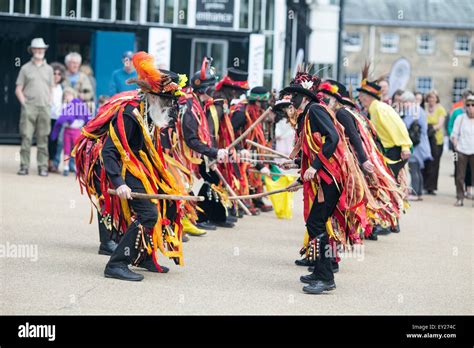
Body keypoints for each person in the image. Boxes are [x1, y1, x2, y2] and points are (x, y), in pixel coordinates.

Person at [73, 51, 189, 281]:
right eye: (168, 101)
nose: (170, 106)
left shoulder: (150, 111)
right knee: (148, 214)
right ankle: (116, 264)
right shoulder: (130, 112)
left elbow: (144, 149)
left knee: (165, 203)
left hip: (134, 165)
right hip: (115, 166)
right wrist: (119, 183)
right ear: (154, 96)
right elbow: (109, 151)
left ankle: (143, 256)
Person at [282, 67, 342, 294]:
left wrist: (315, 166)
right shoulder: (309, 114)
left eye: (294, 94)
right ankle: (319, 271)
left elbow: (333, 138)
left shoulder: (315, 110)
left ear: (304, 96)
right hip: (325, 177)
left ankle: (326, 277)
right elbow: (314, 148)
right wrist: (300, 170)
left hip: (331, 178)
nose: (291, 98)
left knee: (316, 223)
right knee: (315, 223)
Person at [178, 57, 235, 229]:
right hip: (178, 153)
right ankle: (196, 219)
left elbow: (200, 136)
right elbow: (191, 139)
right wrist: (213, 153)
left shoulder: (197, 103)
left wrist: (210, 152)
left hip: (193, 152)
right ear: (205, 89)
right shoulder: (189, 106)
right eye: (212, 87)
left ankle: (201, 218)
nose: (215, 90)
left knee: (206, 179)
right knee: (183, 185)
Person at [357, 77, 412, 234]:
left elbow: (398, 126)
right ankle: (392, 223)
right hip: (390, 150)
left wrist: (405, 146)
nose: (360, 98)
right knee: (388, 187)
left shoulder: (379, 109)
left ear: (368, 97)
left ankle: (388, 223)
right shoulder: (375, 108)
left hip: (395, 150)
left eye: (362, 95)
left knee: (386, 187)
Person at [15, 38, 54, 177]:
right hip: (29, 107)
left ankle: (42, 167)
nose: (39, 51)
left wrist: (49, 101)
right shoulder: (25, 68)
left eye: (41, 49)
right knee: (26, 137)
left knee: (43, 138)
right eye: (36, 49)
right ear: (32, 50)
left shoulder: (49, 69)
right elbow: (18, 88)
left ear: (44, 50)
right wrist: (24, 103)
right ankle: (24, 166)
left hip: (44, 107)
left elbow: (51, 88)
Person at [50, 87, 91, 176]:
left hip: (77, 130)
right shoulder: (64, 106)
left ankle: (76, 167)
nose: (67, 97)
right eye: (65, 96)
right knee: (66, 149)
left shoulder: (78, 104)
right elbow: (60, 119)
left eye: (69, 95)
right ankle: (66, 167)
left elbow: (86, 116)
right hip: (67, 130)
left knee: (76, 150)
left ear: (73, 95)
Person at [400, 91, 432, 201]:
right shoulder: (420, 109)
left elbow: (405, 124)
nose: (404, 104)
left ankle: (415, 193)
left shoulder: (413, 109)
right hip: (422, 143)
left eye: (405, 102)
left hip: (417, 144)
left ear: (409, 101)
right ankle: (419, 192)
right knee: (417, 169)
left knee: (414, 168)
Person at [451, 95, 474, 207]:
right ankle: (460, 198)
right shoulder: (460, 118)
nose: (470, 107)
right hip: (461, 151)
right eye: (468, 105)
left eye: (473, 105)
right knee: (460, 176)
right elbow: (454, 134)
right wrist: (455, 145)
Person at [423, 89, 447, 195]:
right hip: (425, 138)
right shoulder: (424, 108)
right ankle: (424, 185)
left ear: (437, 99)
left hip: (436, 139)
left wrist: (432, 129)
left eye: (433, 97)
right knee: (425, 162)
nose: (431, 99)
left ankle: (431, 187)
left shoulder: (440, 109)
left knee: (434, 163)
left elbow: (440, 124)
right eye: (429, 97)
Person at [48, 62, 65, 173]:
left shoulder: (62, 87)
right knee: (48, 140)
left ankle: (54, 162)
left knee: (58, 141)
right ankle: (48, 162)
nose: (56, 76)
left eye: (59, 74)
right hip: (47, 116)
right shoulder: (47, 87)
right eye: (54, 73)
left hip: (59, 118)